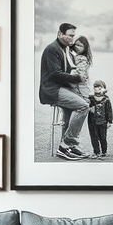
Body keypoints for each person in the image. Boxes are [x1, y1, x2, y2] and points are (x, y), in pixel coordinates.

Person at [39, 22, 90, 160]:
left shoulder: (64, 49)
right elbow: (56, 74)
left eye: (74, 36)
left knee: (74, 108)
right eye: (70, 36)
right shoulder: (52, 49)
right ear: (60, 34)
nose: (72, 39)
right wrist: (77, 78)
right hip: (51, 90)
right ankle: (67, 143)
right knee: (83, 106)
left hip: (61, 87)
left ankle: (68, 149)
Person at [88, 79, 113, 158]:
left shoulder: (106, 99)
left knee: (103, 137)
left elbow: (109, 110)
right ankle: (96, 152)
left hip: (103, 122)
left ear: (104, 89)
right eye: (95, 87)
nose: (97, 89)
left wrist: (110, 121)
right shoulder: (91, 98)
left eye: (100, 88)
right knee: (94, 137)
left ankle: (104, 152)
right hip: (92, 122)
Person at [71, 36, 93, 101]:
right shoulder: (79, 56)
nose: (77, 47)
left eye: (81, 46)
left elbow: (80, 72)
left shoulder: (82, 58)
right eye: (77, 45)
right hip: (82, 86)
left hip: (81, 87)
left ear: (85, 48)